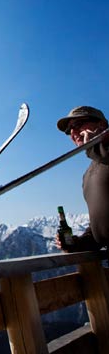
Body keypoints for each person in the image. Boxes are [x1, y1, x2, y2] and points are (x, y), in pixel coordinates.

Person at [54, 106, 109, 252]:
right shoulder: (88, 174)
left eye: (77, 125)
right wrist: (77, 243)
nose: (72, 132)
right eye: (69, 130)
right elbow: (100, 229)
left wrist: (97, 146)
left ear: (101, 125)